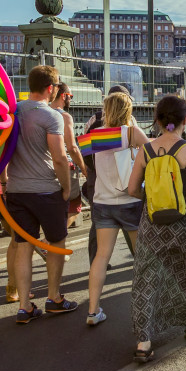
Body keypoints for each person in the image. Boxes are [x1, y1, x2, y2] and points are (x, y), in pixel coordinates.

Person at [127, 96, 186, 363]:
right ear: (185, 119)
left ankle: (143, 341)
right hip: (185, 225)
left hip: (152, 228)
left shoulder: (146, 150)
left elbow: (131, 190)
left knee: (146, 279)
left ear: (159, 120)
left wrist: (155, 195)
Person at [2, 65, 77, 324]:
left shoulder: (13, 111)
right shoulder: (51, 116)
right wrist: (66, 188)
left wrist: (3, 182)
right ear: (50, 88)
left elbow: (1, 151)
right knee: (56, 244)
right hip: (46, 190)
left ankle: (24, 306)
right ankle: (54, 298)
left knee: (23, 247)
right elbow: (59, 158)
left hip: (17, 191)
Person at [86, 92, 149, 326]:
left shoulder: (95, 136)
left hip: (103, 202)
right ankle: (145, 308)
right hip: (130, 201)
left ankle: (93, 310)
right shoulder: (131, 133)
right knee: (141, 257)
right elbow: (155, 153)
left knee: (101, 257)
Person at [82, 84, 134, 265]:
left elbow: (85, 152)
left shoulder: (94, 121)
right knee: (131, 220)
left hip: (98, 180)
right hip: (125, 178)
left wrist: (96, 170)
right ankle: (138, 257)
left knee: (99, 221)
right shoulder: (130, 123)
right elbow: (141, 151)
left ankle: (95, 259)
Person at [50, 82, 86, 231]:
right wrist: (84, 169)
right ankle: (51, 242)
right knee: (74, 206)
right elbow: (71, 147)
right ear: (63, 96)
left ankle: (52, 242)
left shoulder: (43, 113)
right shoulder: (64, 116)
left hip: (46, 166)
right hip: (65, 166)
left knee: (51, 209)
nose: (71, 99)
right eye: (70, 96)